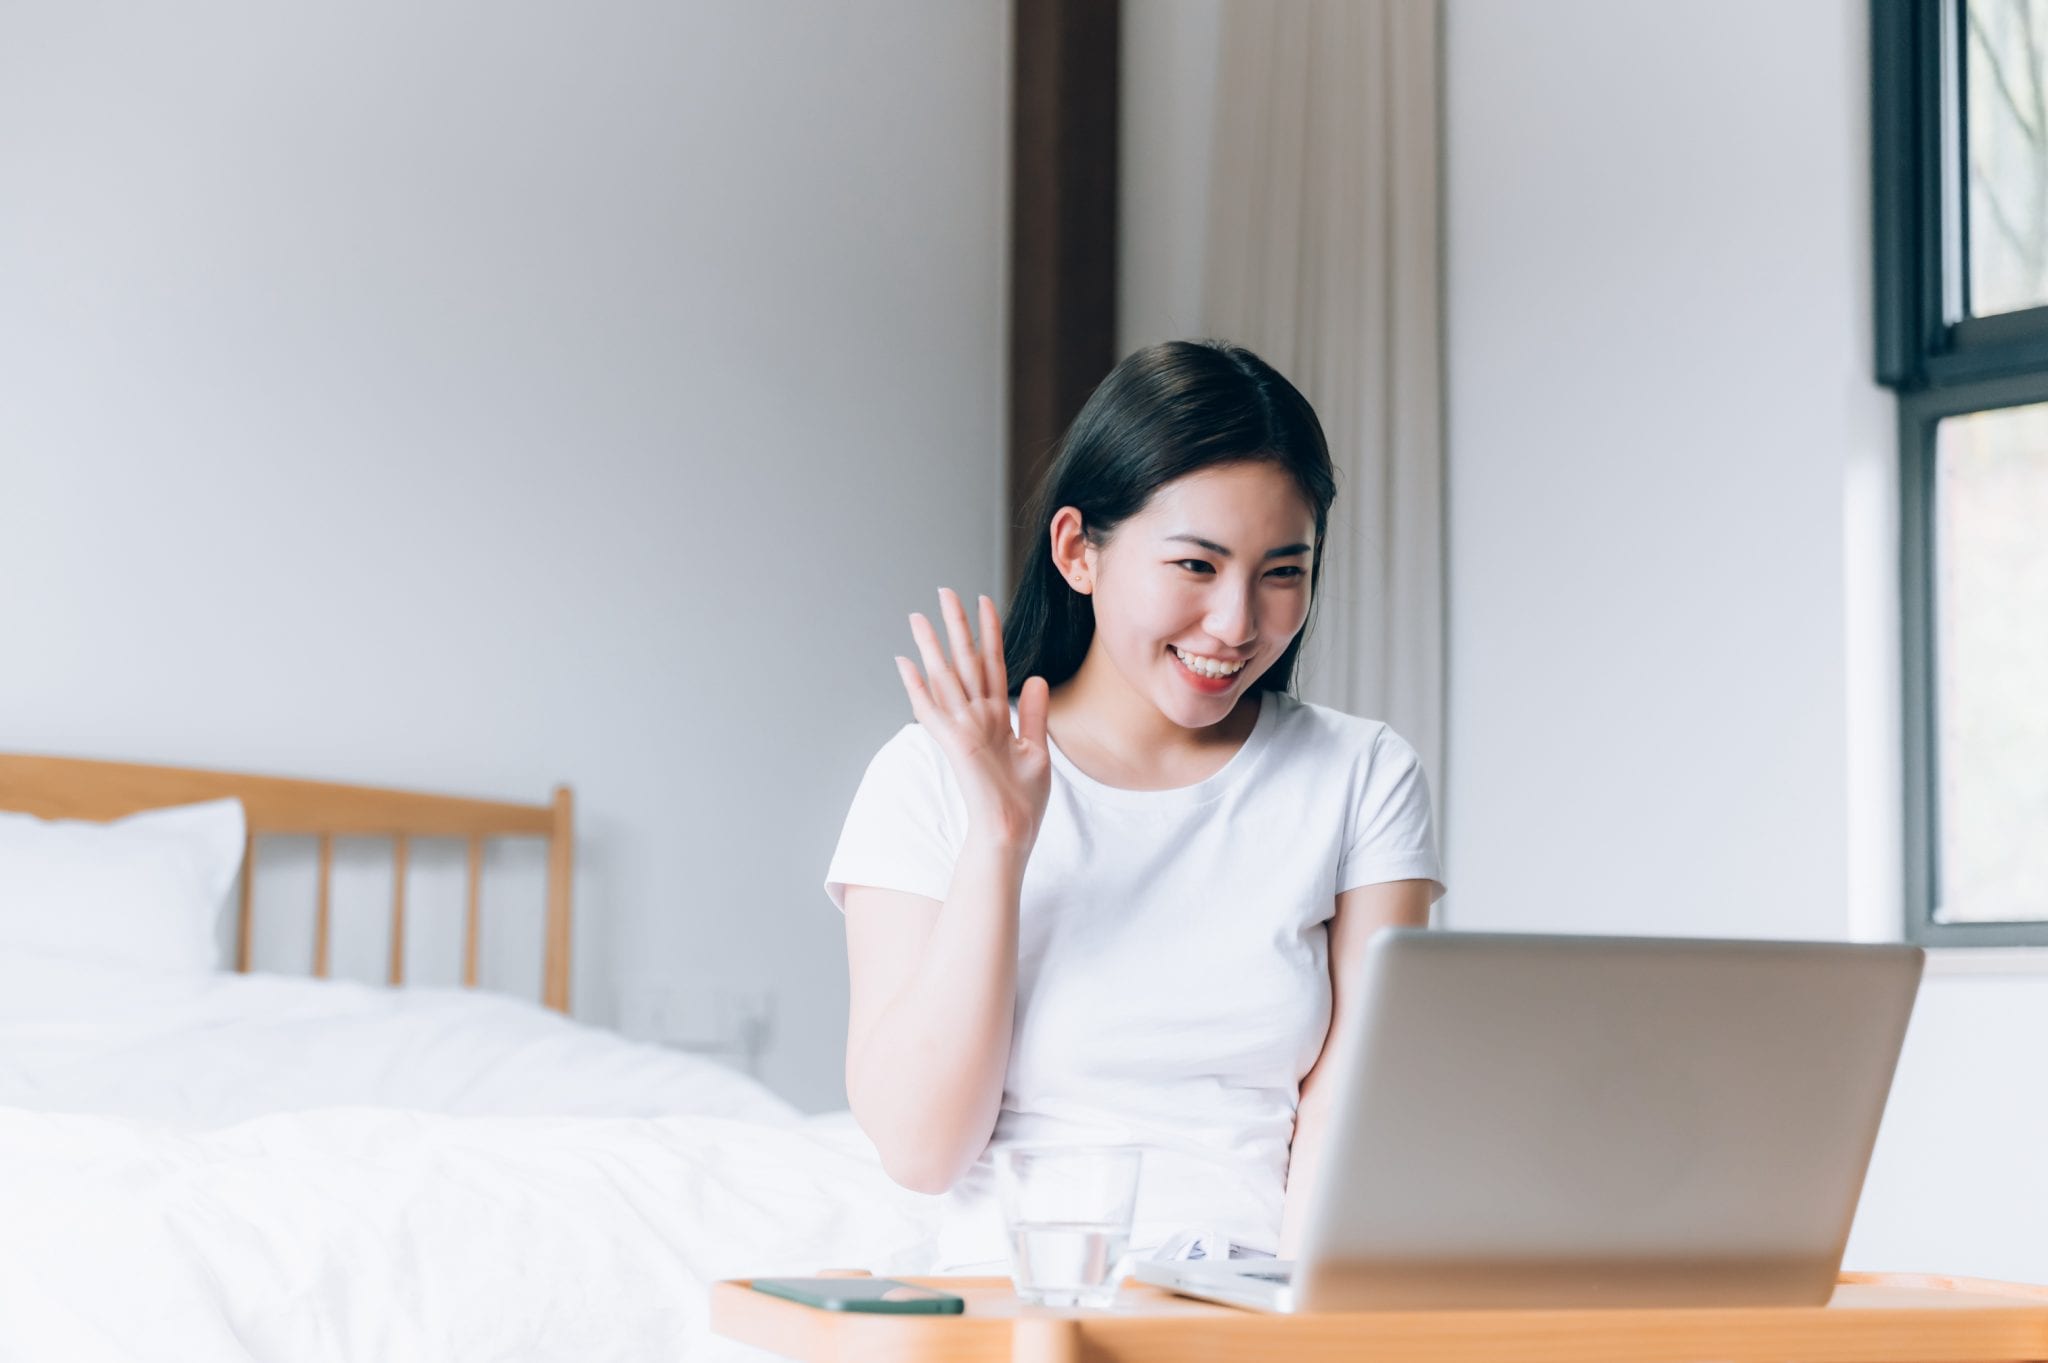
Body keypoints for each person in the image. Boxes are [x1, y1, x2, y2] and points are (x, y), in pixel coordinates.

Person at [824, 339, 1444, 1270]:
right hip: (1017, 1299)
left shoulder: (1361, 775)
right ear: (1078, 551)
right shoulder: (928, 777)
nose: (1237, 624)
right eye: (1196, 565)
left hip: (1253, 1303)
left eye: (1283, 572)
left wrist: (1297, 1326)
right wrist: (1000, 839)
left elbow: (1350, 1126)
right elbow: (922, 1150)